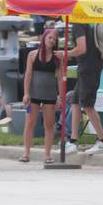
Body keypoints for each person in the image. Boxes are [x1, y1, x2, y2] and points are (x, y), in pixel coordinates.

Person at [66, 24, 103, 154]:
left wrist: (65, 53)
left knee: (87, 106)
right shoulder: (88, 23)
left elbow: (81, 48)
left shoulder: (78, 26)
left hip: (88, 68)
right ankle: (73, 141)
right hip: (89, 66)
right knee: (75, 102)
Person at [23, 27, 66, 163]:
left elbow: (60, 78)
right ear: (44, 38)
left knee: (49, 124)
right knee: (30, 123)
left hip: (50, 95)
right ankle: (26, 153)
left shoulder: (57, 57)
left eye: (54, 39)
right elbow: (28, 75)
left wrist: (60, 97)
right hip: (34, 94)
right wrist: (26, 93)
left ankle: (47, 155)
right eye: (50, 37)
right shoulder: (32, 55)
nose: (52, 41)